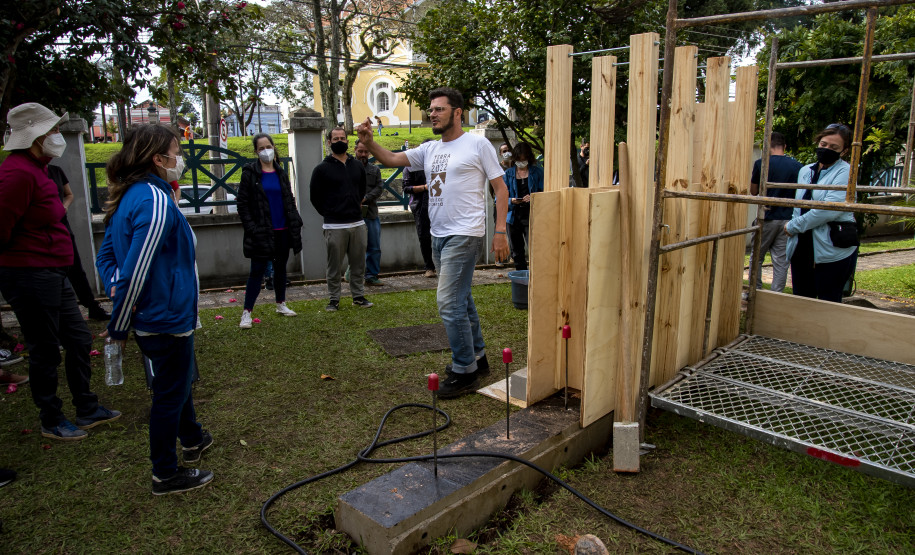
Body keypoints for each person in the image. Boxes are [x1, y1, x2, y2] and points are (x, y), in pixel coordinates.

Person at [356, 87, 510, 399]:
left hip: (465, 234)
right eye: (431, 109)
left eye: (439, 109)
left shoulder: (477, 143)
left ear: (458, 113)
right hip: (438, 235)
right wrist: (370, 142)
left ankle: (464, 369)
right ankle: (479, 358)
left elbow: (501, 189)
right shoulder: (429, 149)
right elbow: (390, 159)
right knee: (461, 299)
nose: (433, 114)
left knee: (448, 302)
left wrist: (500, 231)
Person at [96, 123, 213, 495]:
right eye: (176, 152)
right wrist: (119, 323)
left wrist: (120, 294)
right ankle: (165, 472)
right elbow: (136, 269)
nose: (180, 159)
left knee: (176, 379)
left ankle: (192, 437)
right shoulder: (153, 198)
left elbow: (108, 258)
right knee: (169, 391)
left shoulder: (130, 195)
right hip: (163, 313)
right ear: (157, 158)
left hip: (159, 309)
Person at [0, 102, 120, 441]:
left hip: (54, 271)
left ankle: (86, 406)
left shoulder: (40, 169)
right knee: (45, 349)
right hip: (29, 273)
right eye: (52, 130)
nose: (56, 136)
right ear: (35, 136)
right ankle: (51, 417)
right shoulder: (16, 174)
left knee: (79, 338)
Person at [784, 124, 859, 303]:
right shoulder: (805, 171)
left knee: (828, 300)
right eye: (823, 144)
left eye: (834, 148)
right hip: (802, 243)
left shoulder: (846, 172)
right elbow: (798, 205)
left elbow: (827, 210)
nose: (826, 150)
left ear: (844, 150)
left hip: (832, 246)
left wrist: (793, 226)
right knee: (802, 297)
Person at [236, 133, 303, 328]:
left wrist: (294, 219)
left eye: (269, 146)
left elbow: (288, 197)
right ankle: (247, 312)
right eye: (262, 148)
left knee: (280, 268)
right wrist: (252, 227)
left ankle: (281, 303)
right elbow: (243, 204)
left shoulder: (280, 172)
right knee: (256, 271)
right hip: (261, 231)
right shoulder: (250, 173)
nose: (266, 151)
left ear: (274, 147)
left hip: (283, 229)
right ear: (256, 152)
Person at [310, 127, 373, 312]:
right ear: (329, 142)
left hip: (357, 223)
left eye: (343, 138)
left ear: (347, 141)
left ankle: (358, 296)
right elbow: (315, 197)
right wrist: (330, 212)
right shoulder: (321, 169)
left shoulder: (356, 166)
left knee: (358, 264)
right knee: (334, 266)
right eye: (335, 138)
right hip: (334, 225)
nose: (339, 141)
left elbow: (362, 189)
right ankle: (334, 299)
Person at [46, 165, 111, 320]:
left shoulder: (56, 171)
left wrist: (64, 207)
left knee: (75, 268)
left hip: (61, 225)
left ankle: (92, 306)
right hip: (43, 231)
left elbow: (69, 194)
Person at [749, 132, 803, 293]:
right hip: (788, 221)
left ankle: (754, 291)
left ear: (767, 146)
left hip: (766, 217)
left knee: (757, 257)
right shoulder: (798, 167)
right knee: (781, 261)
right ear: (784, 146)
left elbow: (753, 191)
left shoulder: (761, 164)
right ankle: (776, 294)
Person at [504, 142, 544, 271]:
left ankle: (536, 276)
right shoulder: (508, 174)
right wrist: (512, 200)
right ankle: (521, 278)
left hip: (532, 215)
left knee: (535, 248)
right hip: (513, 217)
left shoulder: (537, 172)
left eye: (524, 159)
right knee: (516, 251)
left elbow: (544, 192)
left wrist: (533, 197)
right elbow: (499, 197)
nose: (521, 162)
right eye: (519, 160)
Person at [402, 139, 436, 278]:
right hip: (420, 204)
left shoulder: (439, 164)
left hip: (439, 204)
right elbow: (406, 187)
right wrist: (424, 187)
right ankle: (429, 267)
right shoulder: (410, 166)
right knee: (424, 235)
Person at [354, 139, 385, 286]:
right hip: (352, 214)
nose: (363, 154)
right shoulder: (348, 168)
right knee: (355, 247)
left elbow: (379, 188)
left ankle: (371, 275)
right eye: (360, 151)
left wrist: (366, 198)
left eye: (366, 152)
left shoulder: (375, 170)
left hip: (371, 213)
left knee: (374, 246)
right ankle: (355, 274)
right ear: (355, 150)